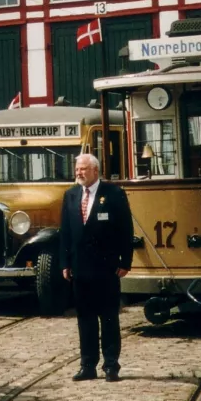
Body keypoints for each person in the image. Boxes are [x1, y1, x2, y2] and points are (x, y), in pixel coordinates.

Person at [59, 153, 133, 383]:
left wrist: (125, 262)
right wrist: (65, 263)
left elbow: (125, 229)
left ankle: (111, 365)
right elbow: (66, 232)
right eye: (77, 169)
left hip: (106, 268)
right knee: (85, 319)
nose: (78, 173)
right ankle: (87, 365)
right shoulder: (70, 195)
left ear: (95, 170)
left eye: (83, 169)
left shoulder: (113, 194)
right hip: (80, 269)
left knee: (109, 318)